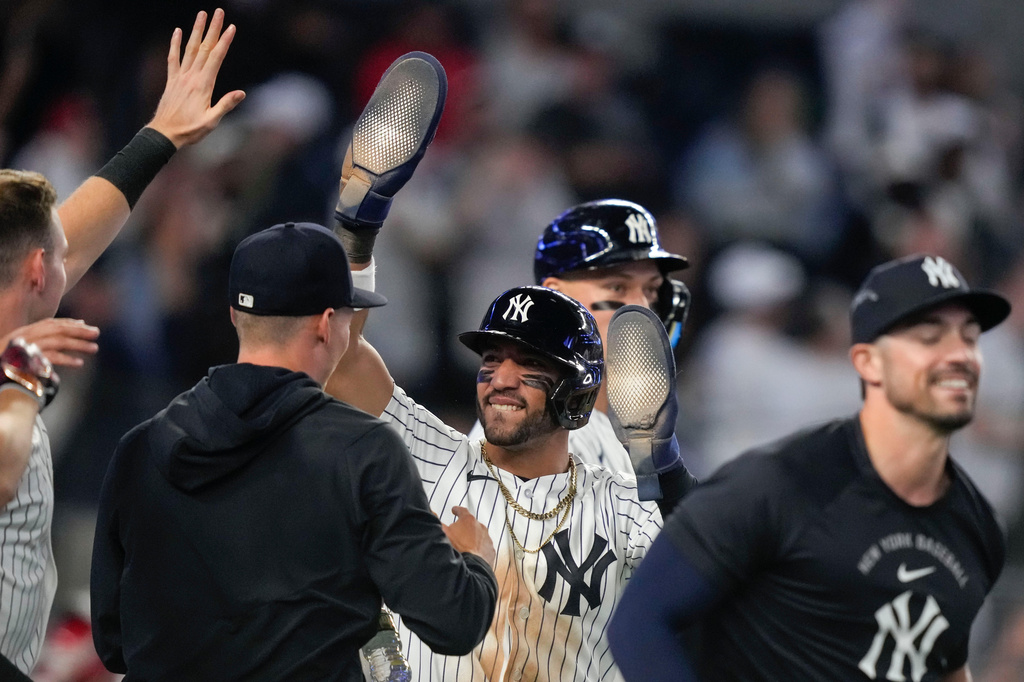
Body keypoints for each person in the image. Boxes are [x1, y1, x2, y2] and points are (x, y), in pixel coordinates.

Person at [90, 222, 499, 680]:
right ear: (327, 325)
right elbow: (455, 620)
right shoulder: (363, 450)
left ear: (234, 315)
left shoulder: (141, 446)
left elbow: (113, 642)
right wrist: (475, 560)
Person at [607, 253, 1012, 682]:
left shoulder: (978, 525)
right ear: (868, 362)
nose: (959, 355)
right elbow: (639, 624)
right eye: (930, 337)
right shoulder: (779, 483)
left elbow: (943, 665)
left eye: (969, 337)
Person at [0, 9, 244, 677]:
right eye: (60, 258)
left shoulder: (22, 293)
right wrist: (20, 385)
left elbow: (72, 231)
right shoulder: (15, 366)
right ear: (35, 273)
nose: (73, 259)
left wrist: (160, 135)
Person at [467, 198, 693, 477]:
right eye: (617, 287)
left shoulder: (632, 429)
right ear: (557, 297)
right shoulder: (532, 429)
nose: (643, 308)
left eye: (651, 290)